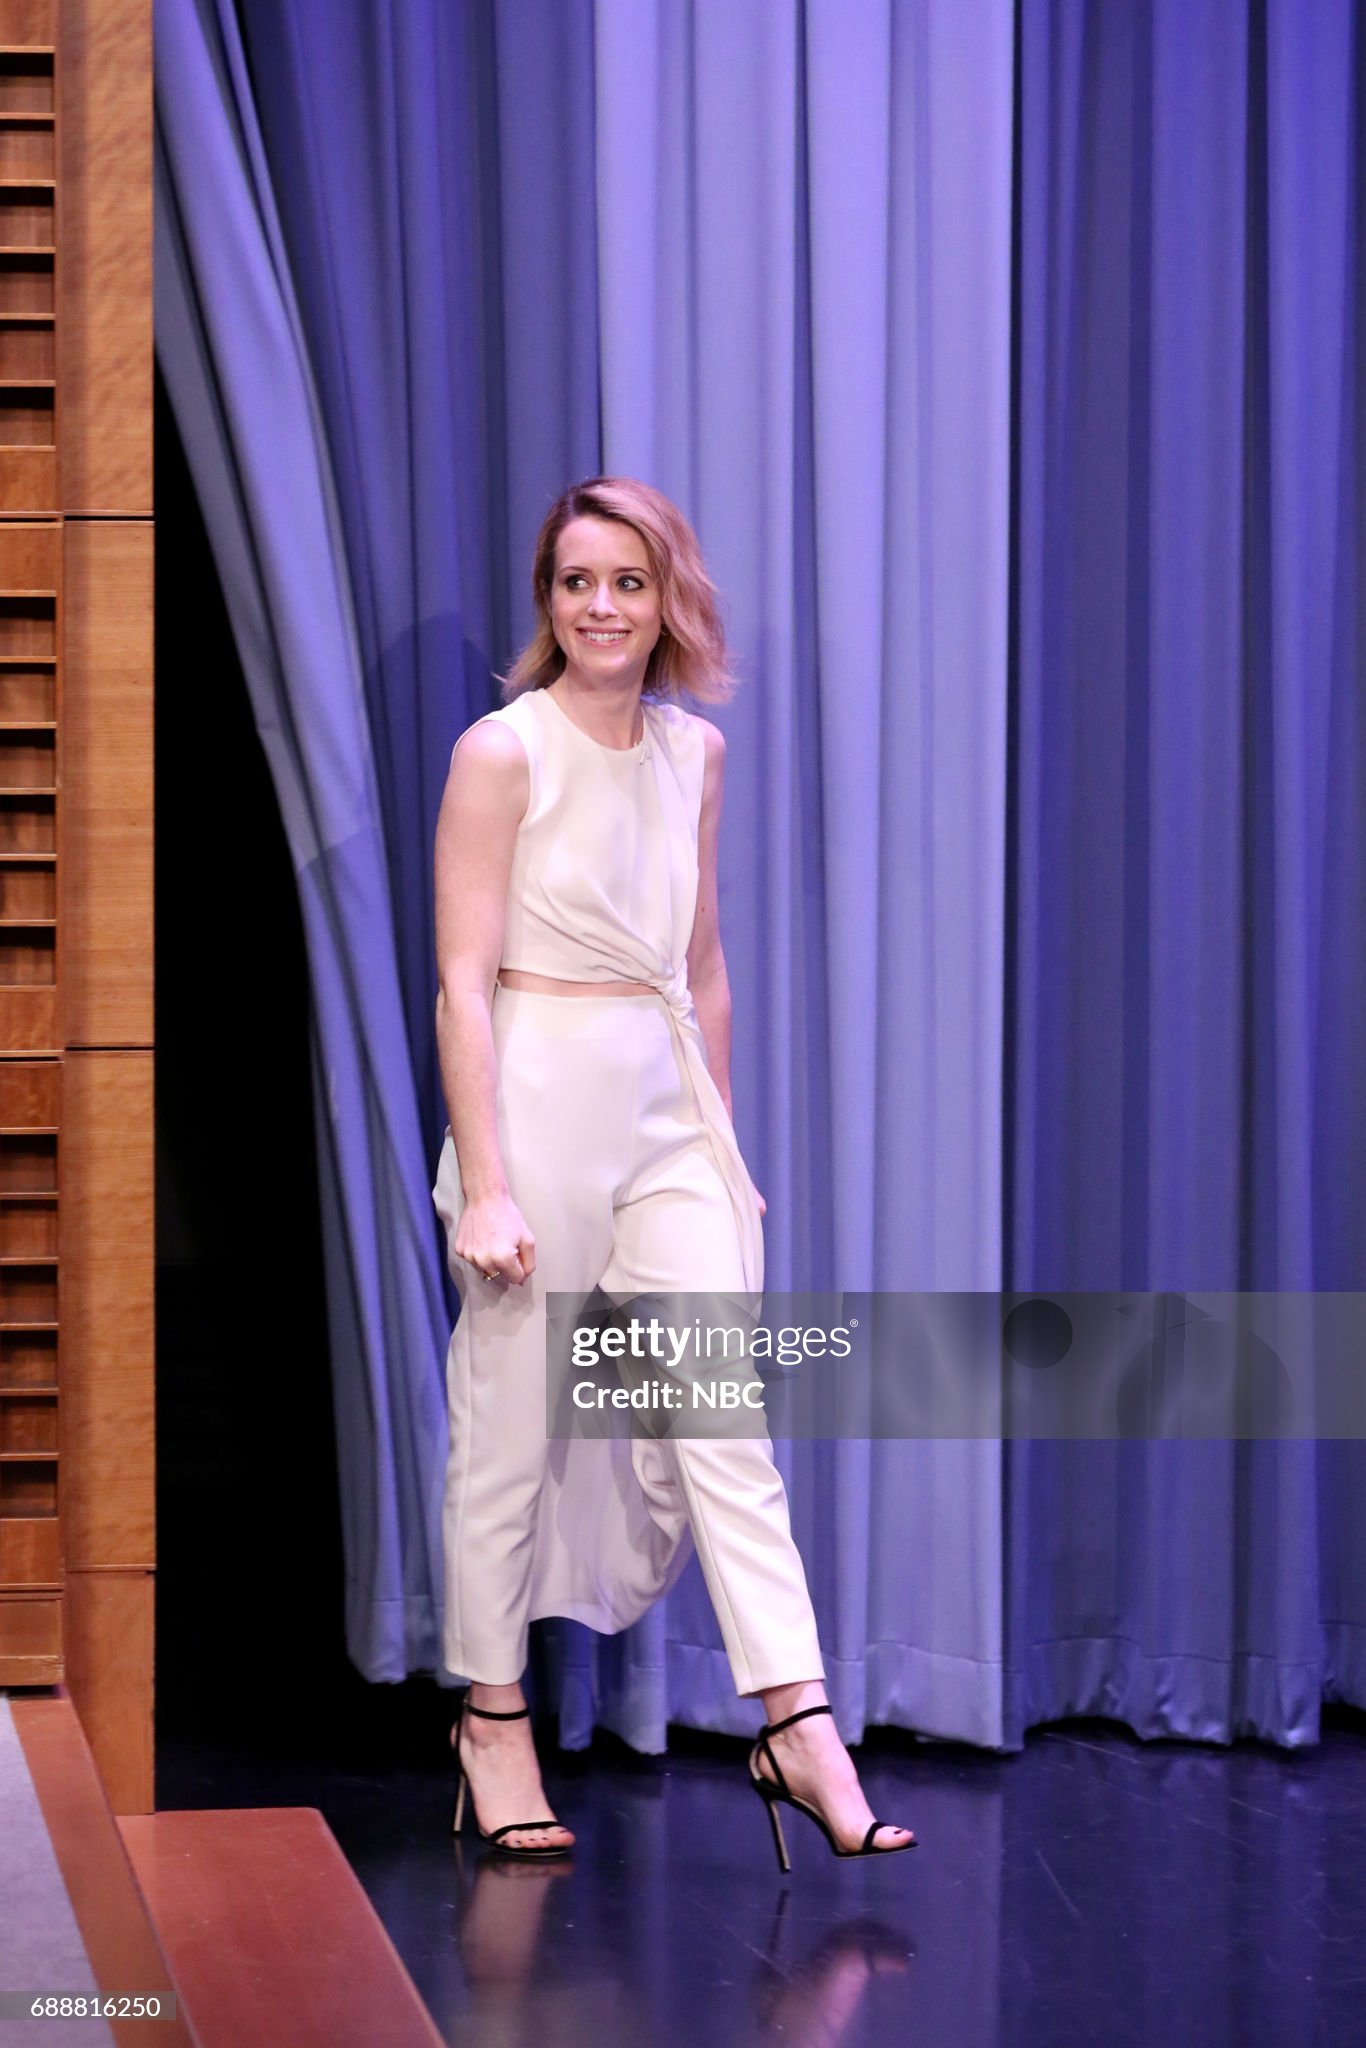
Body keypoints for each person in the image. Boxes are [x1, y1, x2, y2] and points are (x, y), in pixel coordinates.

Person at [432, 477, 915, 1865]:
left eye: (628, 583)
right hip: (533, 1103)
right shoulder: (500, 753)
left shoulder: (693, 753)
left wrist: (724, 1145)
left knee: (722, 1421)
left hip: (668, 1116)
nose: (601, 606)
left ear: (666, 602)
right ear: (549, 600)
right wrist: (489, 1181)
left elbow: (700, 966)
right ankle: (492, 1721)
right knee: (511, 1430)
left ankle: (797, 1722)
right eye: (577, 581)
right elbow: (462, 983)